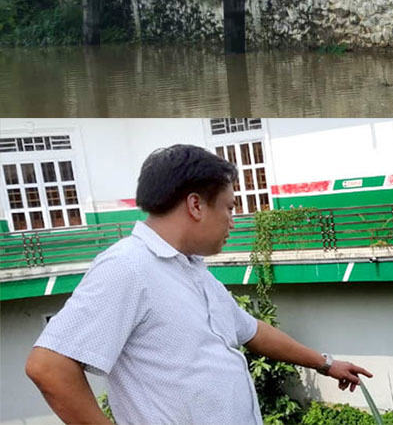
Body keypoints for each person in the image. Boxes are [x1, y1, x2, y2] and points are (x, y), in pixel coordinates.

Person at [24, 144, 373, 425]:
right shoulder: (127, 266)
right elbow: (48, 367)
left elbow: (251, 331)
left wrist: (325, 364)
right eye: (229, 208)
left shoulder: (190, 269)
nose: (232, 222)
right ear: (195, 205)